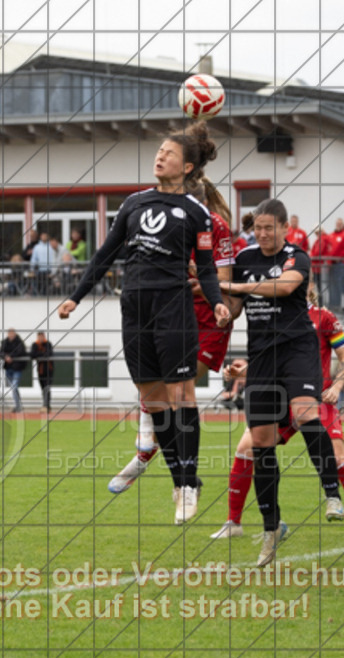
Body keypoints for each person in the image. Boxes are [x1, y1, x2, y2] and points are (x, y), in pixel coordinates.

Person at [59, 121, 230, 525]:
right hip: (134, 310)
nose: (160, 156)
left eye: (169, 153)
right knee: (153, 402)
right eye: (159, 151)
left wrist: (218, 303)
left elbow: (207, 269)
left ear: (187, 167)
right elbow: (104, 254)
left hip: (173, 309)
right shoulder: (134, 203)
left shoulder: (197, 213)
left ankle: (187, 485)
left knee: (182, 396)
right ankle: (180, 480)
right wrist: (75, 296)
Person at [215, 198, 344, 566]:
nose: (262, 234)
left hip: (297, 350)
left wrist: (236, 287)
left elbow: (284, 288)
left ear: (285, 228)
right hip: (262, 356)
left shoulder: (296, 256)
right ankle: (271, 530)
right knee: (260, 442)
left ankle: (331, 493)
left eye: (269, 228)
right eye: (257, 228)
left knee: (304, 414)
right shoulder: (244, 259)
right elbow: (235, 307)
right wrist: (224, 309)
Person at [211, 282, 344, 543]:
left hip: (316, 399)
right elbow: (271, 362)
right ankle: (234, 522)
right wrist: (243, 371)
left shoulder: (324, 317)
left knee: (339, 459)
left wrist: (337, 387)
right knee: (246, 449)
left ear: (308, 285)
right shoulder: (275, 316)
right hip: (282, 400)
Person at [105, 175, 236, 504]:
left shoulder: (213, 225)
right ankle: (179, 475)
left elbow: (222, 280)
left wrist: (190, 279)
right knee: (157, 390)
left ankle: (147, 453)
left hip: (207, 322)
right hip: (173, 313)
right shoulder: (160, 221)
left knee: (177, 395)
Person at [327, 218, 344, 312]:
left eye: (340, 224)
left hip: (340, 264)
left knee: (339, 284)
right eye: (337, 223)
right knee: (331, 285)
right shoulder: (331, 235)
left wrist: (339, 258)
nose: (338, 225)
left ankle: (339, 305)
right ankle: (333, 304)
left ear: (343, 225)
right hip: (331, 264)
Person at [0, 328, 27, 413]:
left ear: (15, 334)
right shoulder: (4, 342)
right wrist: (5, 357)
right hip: (8, 368)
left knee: (14, 386)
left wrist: (10, 357)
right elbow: (0, 353)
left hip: (17, 368)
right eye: (9, 334)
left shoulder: (19, 342)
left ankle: (18, 407)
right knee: (14, 388)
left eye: (12, 334)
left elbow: (21, 352)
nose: (11, 335)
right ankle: (18, 405)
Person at [30, 331, 54, 412]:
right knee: (43, 388)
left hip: (49, 370)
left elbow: (49, 353)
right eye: (39, 337)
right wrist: (42, 354)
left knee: (47, 387)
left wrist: (39, 354)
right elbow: (32, 355)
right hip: (40, 370)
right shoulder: (35, 345)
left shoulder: (48, 344)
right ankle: (47, 405)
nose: (41, 338)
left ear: (44, 336)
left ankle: (45, 406)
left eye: (42, 336)